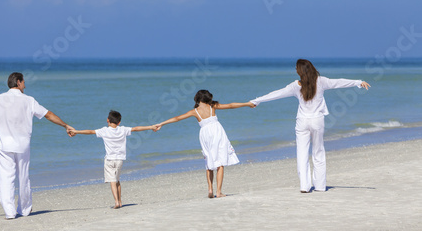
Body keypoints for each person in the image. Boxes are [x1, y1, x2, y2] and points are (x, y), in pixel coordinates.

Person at [250, 59, 371, 193]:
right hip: (317, 121)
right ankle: (319, 186)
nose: (295, 70)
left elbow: (276, 94)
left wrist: (257, 100)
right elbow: (339, 82)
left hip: (302, 122)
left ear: (300, 70)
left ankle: (304, 187)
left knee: (302, 154)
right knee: (318, 152)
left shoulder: (295, 85)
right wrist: (358, 82)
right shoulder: (321, 81)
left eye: (296, 68)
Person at [0, 72, 73, 219]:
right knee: (23, 177)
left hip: (4, 145)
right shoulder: (29, 100)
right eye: (23, 82)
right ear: (18, 82)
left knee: (5, 178)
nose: (25, 85)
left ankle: (9, 212)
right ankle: (24, 210)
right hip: (23, 145)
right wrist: (65, 125)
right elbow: (48, 115)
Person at [157, 90, 255, 198]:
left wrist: (162, 123)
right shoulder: (212, 106)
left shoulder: (195, 111)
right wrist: (247, 104)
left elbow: (177, 118)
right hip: (217, 132)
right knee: (220, 163)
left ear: (198, 99)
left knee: (209, 163)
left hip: (204, 135)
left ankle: (210, 189)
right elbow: (231, 105)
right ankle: (218, 192)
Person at [68, 110, 159, 209]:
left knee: (112, 181)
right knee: (117, 180)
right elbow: (136, 129)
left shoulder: (104, 131)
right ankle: (120, 201)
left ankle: (116, 202)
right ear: (119, 122)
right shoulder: (123, 130)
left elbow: (90, 131)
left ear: (108, 120)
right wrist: (151, 127)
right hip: (120, 160)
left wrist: (76, 131)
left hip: (110, 160)